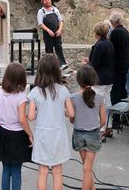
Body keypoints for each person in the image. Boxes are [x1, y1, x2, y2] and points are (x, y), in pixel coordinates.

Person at [27, 54, 74, 190]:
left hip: (42, 135)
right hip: (58, 135)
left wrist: (38, 112)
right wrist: (61, 111)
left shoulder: (35, 92)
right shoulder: (63, 90)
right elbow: (71, 113)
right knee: (57, 172)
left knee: (42, 171)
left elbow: (30, 116)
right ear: (57, 70)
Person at [0, 62, 33, 190]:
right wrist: (30, 135)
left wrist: (1, 124)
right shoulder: (21, 96)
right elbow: (22, 119)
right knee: (16, 170)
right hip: (18, 136)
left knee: (6, 169)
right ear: (21, 78)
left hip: (3, 133)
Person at [70, 65, 106, 190]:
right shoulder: (100, 98)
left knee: (86, 167)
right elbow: (103, 120)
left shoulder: (73, 98)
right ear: (94, 79)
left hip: (78, 134)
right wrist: (96, 127)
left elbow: (71, 118)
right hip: (93, 134)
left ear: (78, 80)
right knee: (88, 167)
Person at [84, 21, 115, 140]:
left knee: (98, 103)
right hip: (109, 77)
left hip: (100, 78)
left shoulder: (99, 45)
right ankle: (108, 126)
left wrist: (87, 63)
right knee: (107, 102)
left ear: (97, 32)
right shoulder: (109, 43)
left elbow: (95, 64)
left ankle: (100, 129)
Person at [108, 12, 129, 129]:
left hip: (117, 65)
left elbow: (112, 49)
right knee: (122, 90)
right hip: (124, 63)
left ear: (114, 22)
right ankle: (126, 117)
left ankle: (116, 120)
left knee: (115, 92)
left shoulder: (115, 32)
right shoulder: (126, 31)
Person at [37, 0, 68, 70]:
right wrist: (48, 31)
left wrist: (60, 30)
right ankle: (50, 68)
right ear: (43, 2)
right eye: (45, 0)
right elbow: (40, 24)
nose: (48, 1)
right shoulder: (41, 11)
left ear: (50, 0)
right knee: (49, 50)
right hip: (48, 35)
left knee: (59, 48)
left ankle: (62, 64)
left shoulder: (55, 9)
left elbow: (60, 21)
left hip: (57, 33)